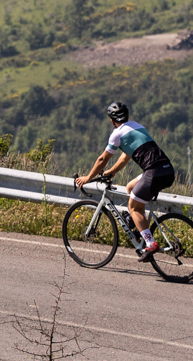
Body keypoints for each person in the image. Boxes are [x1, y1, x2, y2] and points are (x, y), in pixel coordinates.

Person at [74, 101, 176, 260]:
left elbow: (102, 159)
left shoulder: (117, 134)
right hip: (167, 170)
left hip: (153, 173)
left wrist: (88, 178)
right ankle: (139, 226)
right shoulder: (137, 126)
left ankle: (150, 244)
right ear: (127, 116)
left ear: (112, 120)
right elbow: (126, 155)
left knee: (133, 207)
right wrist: (112, 172)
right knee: (130, 188)